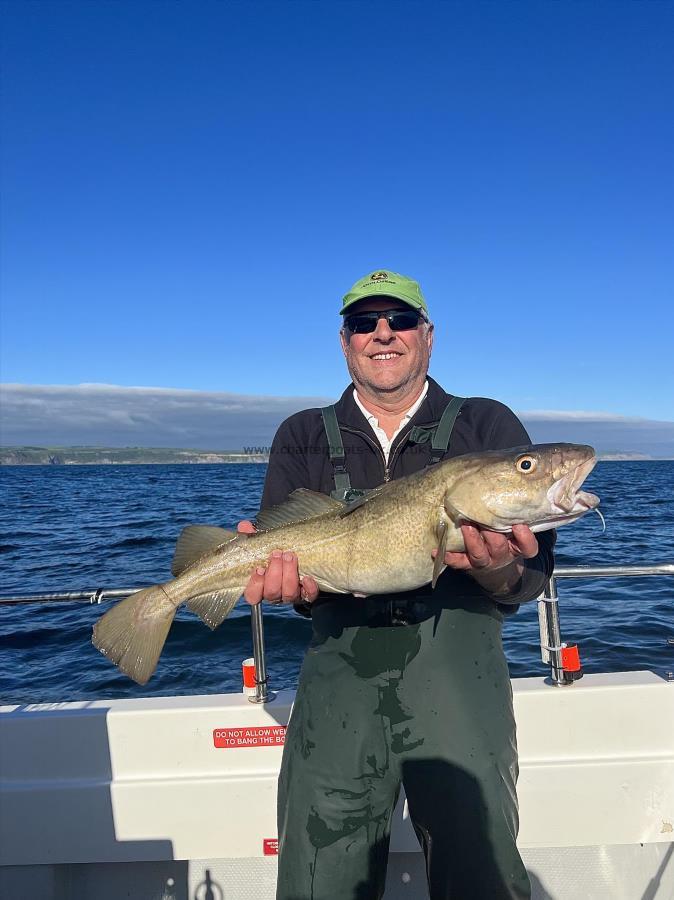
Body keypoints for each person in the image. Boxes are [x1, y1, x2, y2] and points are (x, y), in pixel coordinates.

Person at [238, 270, 555, 900]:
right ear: (345, 342)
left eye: (400, 320)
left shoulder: (487, 425)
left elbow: (529, 579)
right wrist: (293, 589)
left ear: (428, 336)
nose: (383, 334)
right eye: (364, 323)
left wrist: (497, 567)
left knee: (480, 862)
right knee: (319, 871)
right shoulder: (300, 435)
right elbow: (298, 583)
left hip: (459, 670)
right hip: (338, 667)